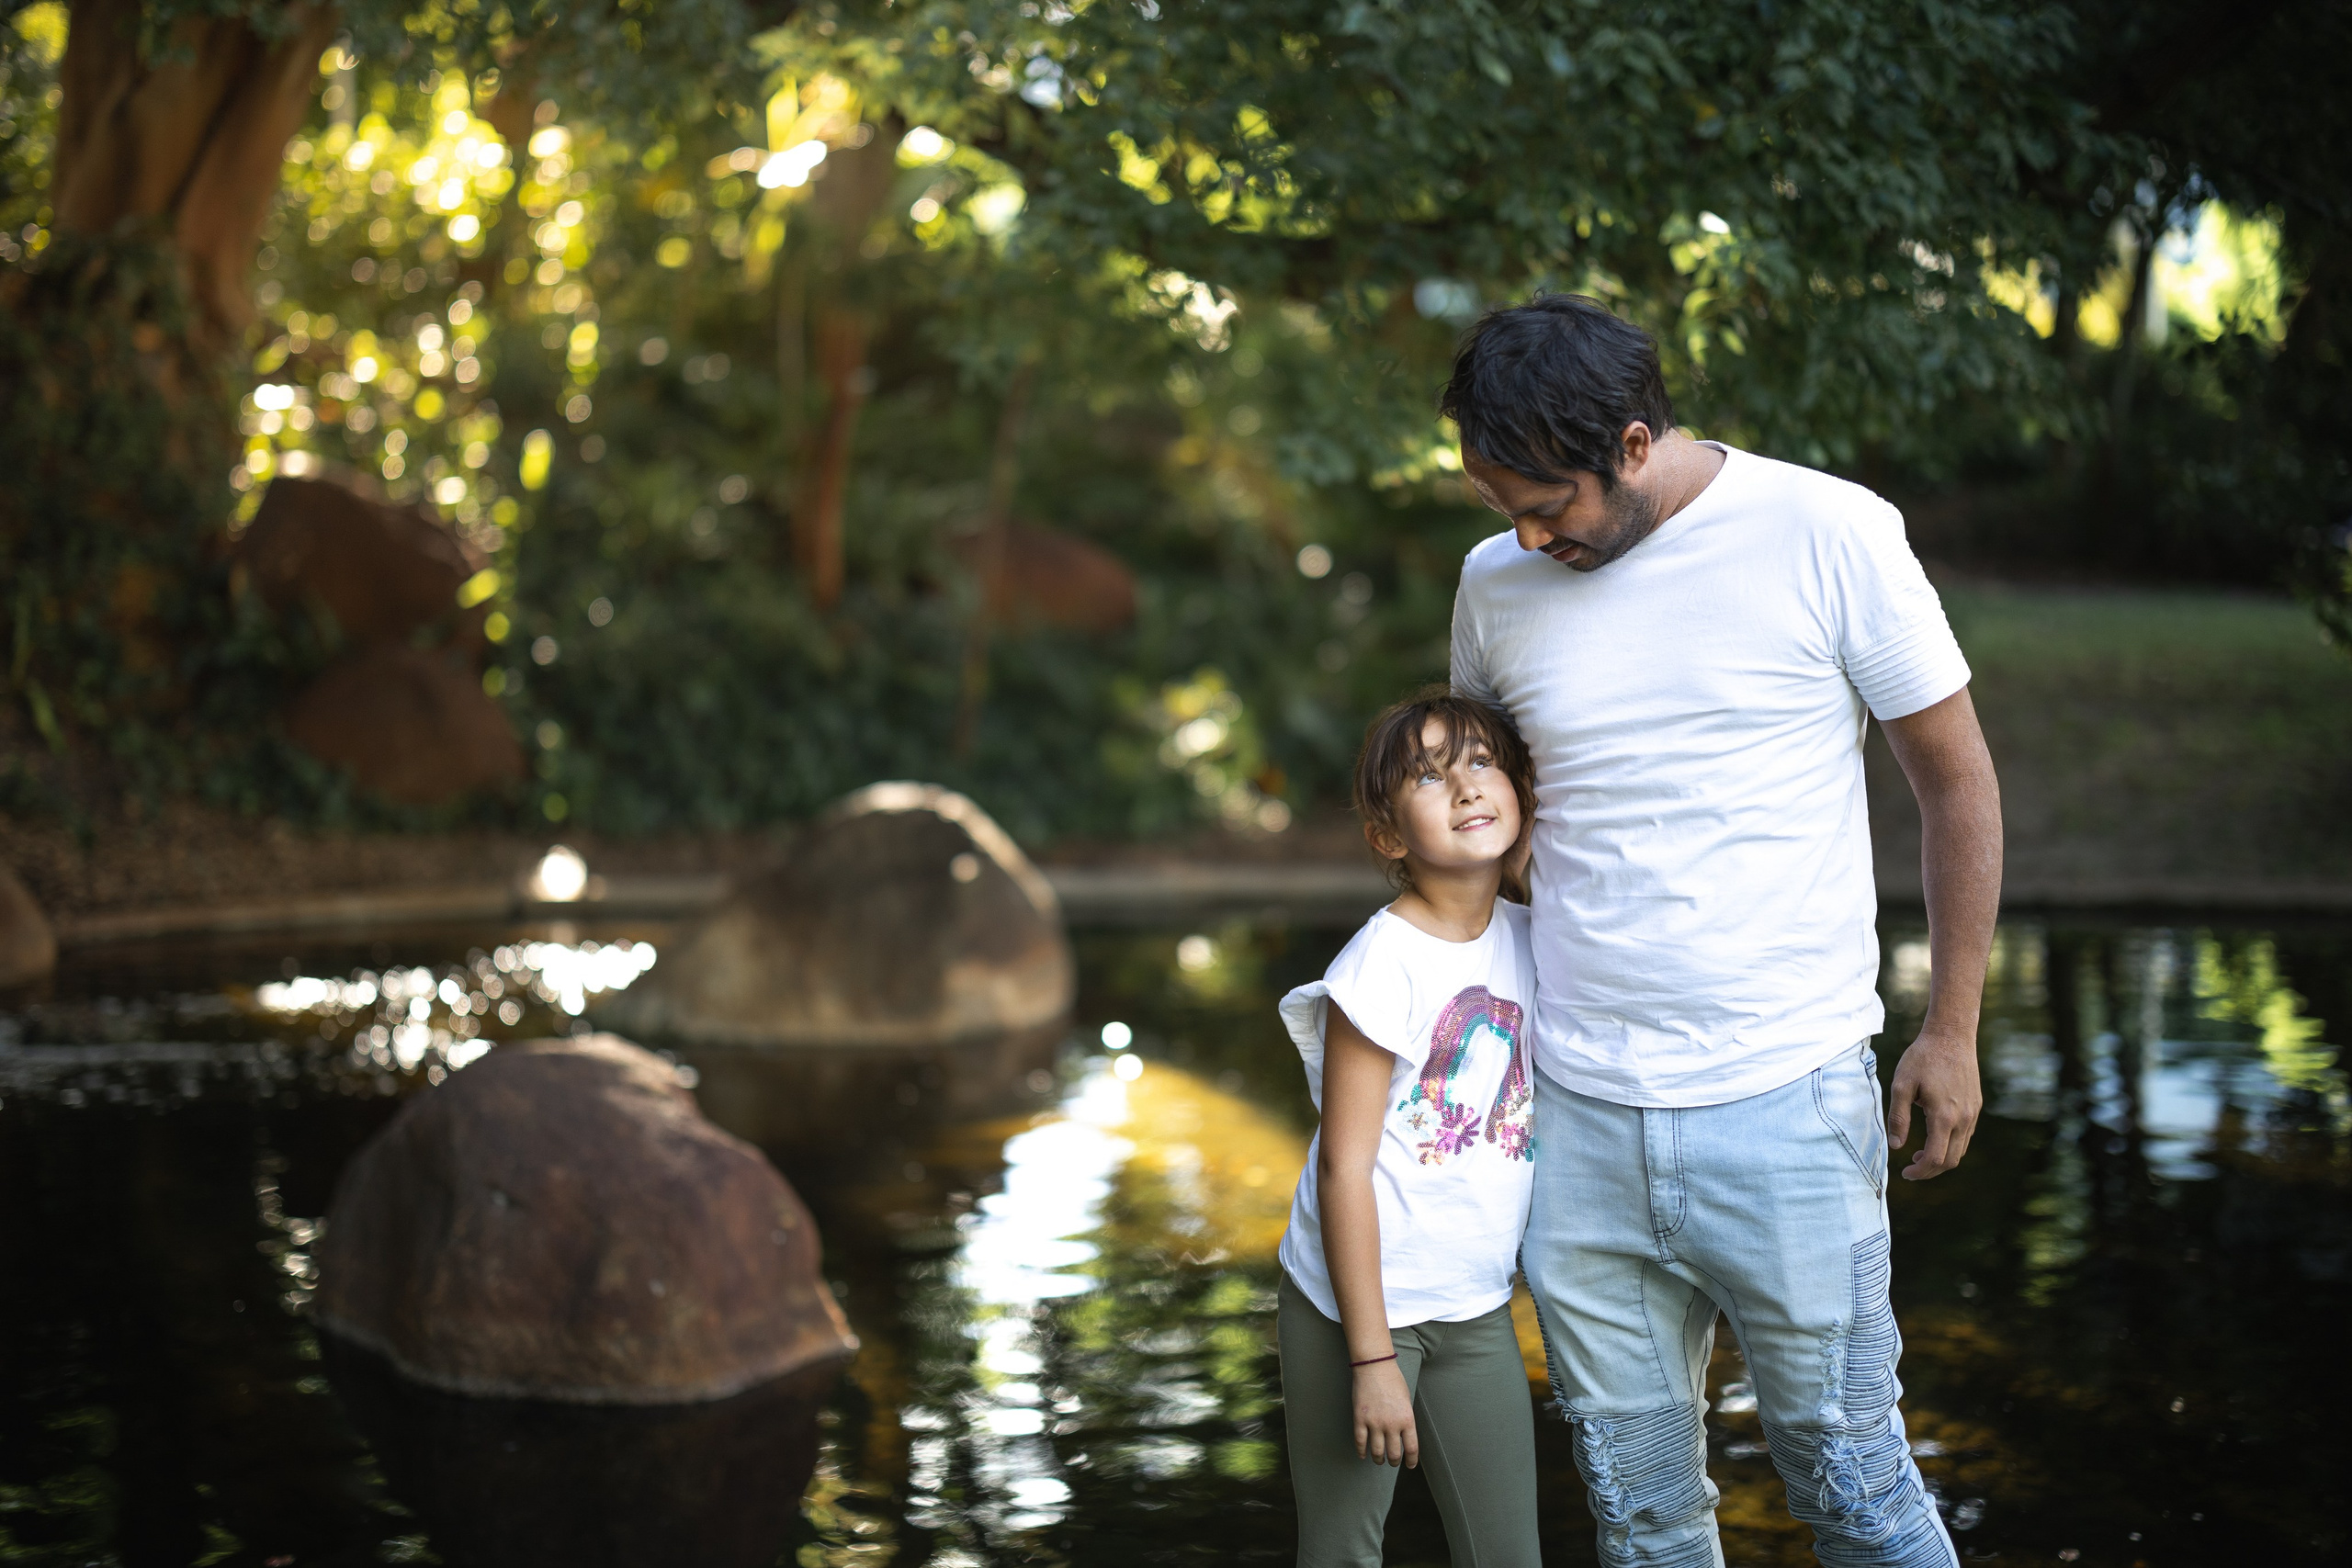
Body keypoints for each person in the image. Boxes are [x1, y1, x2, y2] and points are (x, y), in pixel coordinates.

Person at [1442, 294, 2003, 1568]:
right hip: (1574, 1118)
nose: (1526, 533)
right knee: (1641, 1518)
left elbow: (1957, 781)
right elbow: (1492, 822)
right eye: (1502, 506)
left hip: (1788, 1105)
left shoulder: (1830, 530)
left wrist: (1953, 1029)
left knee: (1855, 1487)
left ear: (1634, 444)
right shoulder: (1495, 582)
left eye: (1549, 503)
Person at [1274, 689, 1546, 1568]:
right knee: (1345, 1549)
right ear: (1389, 837)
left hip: (1472, 1306)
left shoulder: (1536, 932)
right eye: (1431, 777)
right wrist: (1370, 1359)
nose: (1466, 787)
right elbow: (1342, 1171)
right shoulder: (1381, 962)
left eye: (1480, 762)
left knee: (1506, 1552)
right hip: (1353, 1310)